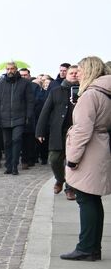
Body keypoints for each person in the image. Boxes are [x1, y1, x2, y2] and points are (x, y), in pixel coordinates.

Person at [59, 57, 111, 261]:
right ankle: (92, 247)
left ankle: (87, 247)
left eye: (80, 70)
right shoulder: (104, 93)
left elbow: (82, 130)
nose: (77, 73)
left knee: (86, 198)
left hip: (89, 151)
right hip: (100, 146)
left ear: (88, 70)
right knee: (93, 200)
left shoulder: (91, 95)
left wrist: (72, 159)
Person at [37, 65, 79, 199]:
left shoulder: (84, 91)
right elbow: (45, 111)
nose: (73, 75)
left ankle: (70, 188)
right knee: (54, 159)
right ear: (66, 75)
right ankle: (60, 179)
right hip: (58, 131)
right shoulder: (55, 91)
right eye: (70, 73)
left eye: (75, 73)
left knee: (72, 162)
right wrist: (40, 131)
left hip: (77, 131)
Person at [0, 61, 34, 175]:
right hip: (4, 118)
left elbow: (30, 101)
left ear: (16, 69)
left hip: (19, 117)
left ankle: (15, 165)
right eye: (8, 69)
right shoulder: (0, 84)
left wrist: (28, 116)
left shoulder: (24, 83)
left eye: (12, 69)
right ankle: (8, 166)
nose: (10, 71)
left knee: (16, 140)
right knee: (7, 143)